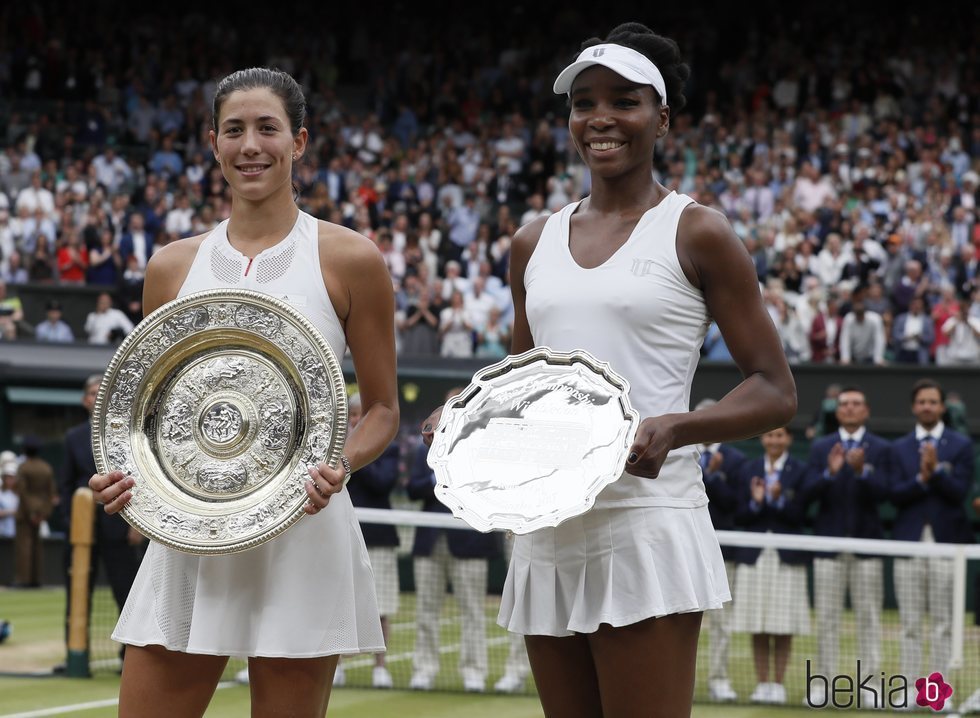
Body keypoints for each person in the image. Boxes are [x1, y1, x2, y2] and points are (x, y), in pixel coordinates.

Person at [422, 24, 796, 717]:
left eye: (624, 100)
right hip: (546, 530)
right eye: (584, 102)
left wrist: (675, 428)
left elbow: (776, 392)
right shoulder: (531, 241)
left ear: (663, 117)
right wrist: (464, 412)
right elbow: (521, 384)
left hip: (646, 524)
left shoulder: (698, 230)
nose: (600, 118)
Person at [87, 67, 400, 717]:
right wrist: (127, 479)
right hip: (190, 538)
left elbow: (382, 410)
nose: (250, 144)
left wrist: (343, 463)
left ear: (300, 142)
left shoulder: (351, 259)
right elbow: (148, 419)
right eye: (234, 129)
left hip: (303, 530)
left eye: (268, 128)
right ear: (212, 142)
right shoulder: (170, 266)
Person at [801, 386, 891, 707]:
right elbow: (806, 493)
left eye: (856, 404)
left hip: (867, 547)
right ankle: (822, 685)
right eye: (845, 405)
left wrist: (861, 472)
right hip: (828, 545)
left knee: (869, 619)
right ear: (837, 412)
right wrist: (831, 472)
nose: (850, 409)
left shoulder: (880, 448)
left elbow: (887, 494)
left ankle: (870, 687)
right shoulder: (821, 447)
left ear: (865, 411)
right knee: (826, 619)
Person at [408, 387, 501, 693]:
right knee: (426, 610)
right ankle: (424, 669)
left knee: (473, 611)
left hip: (469, 541)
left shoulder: (484, 447)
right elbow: (413, 488)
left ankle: (474, 672)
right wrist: (438, 478)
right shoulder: (425, 448)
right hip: (430, 541)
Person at [889, 379, 974, 701]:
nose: (927, 406)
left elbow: (958, 494)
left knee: (943, 623)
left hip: (947, 544)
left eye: (932, 402)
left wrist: (935, 472)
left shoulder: (961, 445)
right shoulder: (898, 448)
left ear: (941, 407)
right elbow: (893, 495)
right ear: (914, 407)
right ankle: (910, 690)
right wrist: (922, 479)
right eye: (921, 401)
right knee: (910, 623)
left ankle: (938, 691)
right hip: (908, 542)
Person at [59, 374, 144, 665]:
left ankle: (128, 657)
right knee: (76, 593)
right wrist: (74, 525)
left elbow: (138, 482)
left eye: (101, 393)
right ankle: (75, 656)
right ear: (85, 400)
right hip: (82, 532)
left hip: (119, 529)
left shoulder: (126, 434)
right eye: (93, 393)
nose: (97, 398)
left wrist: (136, 525)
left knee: (127, 592)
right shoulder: (72, 437)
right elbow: (66, 485)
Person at [731, 427, 811, 705]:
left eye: (780, 436)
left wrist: (777, 499)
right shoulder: (748, 468)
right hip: (754, 555)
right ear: (762, 439)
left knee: (782, 624)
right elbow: (738, 514)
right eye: (769, 436)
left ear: (788, 439)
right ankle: (761, 683)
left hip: (786, 556)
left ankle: (778, 684)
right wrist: (755, 503)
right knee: (758, 623)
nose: (774, 440)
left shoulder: (800, 470)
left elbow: (801, 514)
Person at [335, 392, 400, 690]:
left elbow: (383, 482)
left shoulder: (387, 447)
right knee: (336, 603)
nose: (356, 420)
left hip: (378, 536)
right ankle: (336, 666)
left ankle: (380, 668)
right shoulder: (332, 445)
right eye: (353, 415)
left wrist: (354, 458)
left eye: (362, 414)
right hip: (339, 534)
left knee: (381, 606)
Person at [693, 398, 746, 703]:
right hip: (686, 546)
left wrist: (712, 476)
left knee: (722, 623)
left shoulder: (736, 460)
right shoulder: (680, 453)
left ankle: (719, 679)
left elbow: (736, 506)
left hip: (723, 550)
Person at [14, 436, 57, 588]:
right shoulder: (46, 467)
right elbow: (50, 492)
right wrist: (43, 513)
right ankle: (36, 579)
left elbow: (23, 492)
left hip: (26, 514)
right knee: (37, 547)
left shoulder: (23, 467)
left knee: (24, 546)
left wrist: (32, 512)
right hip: (40, 513)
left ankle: (24, 580)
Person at [0, 457, 20, 540]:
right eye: (8, 477)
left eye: (12, 477)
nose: (10, 480)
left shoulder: (20, 494)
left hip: (17, 534)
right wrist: (12, 512)